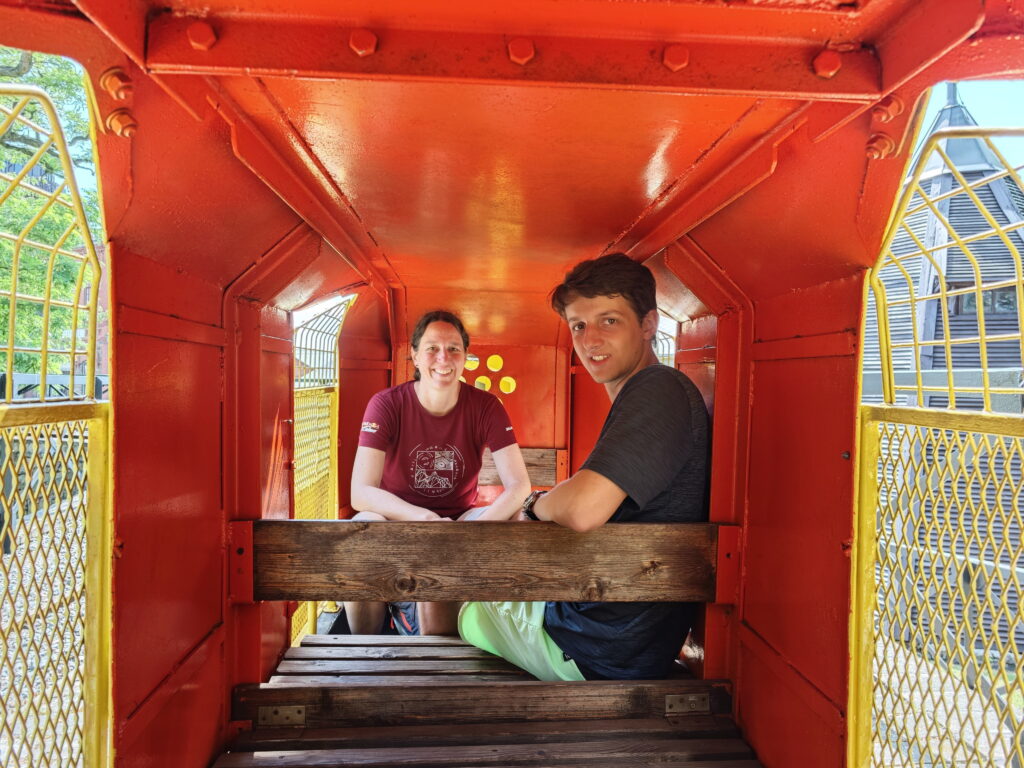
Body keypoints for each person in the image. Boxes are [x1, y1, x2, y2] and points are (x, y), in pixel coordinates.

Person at [458, 253, 710, 680]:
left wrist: (535, 505)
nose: (590, 340)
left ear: (648, 325)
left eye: (608, 320)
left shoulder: (658, 390)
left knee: (462, 591)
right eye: (578, 325)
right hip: (618, 639)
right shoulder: (652, 395)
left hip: (594, 652)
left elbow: (583, 508)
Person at [344, 309, 532, 636]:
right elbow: (361, 493)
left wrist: (475, 531)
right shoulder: (386, 404)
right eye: (431, 348)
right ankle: (366, 647)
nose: (443, 357)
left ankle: (455, 640)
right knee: (361, 531)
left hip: (459, 521)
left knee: (515, 520)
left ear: (465, 358)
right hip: (397, 520)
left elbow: (519, 486)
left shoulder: (485, 406)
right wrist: (425, 520)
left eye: (454, 348)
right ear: (415, 356)